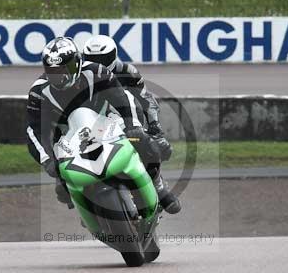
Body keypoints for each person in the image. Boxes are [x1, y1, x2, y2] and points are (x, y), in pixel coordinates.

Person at [25, 36, 180, 214]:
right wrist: (47, 160)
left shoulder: (97, 71)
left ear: (77, 63)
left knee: (144, 143)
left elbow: (122, 97)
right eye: (53, 71)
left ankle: (159, 188)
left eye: (65, 69)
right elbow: (34, 130)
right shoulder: (38, 92)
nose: (61, 77)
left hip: (107, 121)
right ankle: (86, 208)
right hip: (68, 136)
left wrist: (132, 126)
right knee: (61, 189)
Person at [83, 35, 180, 214]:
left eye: (102, 59)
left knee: (149, 145)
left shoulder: (128, 71)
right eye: (92, 60)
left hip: (127, 121)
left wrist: (154, 128)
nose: (99, 64)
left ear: (113, 56)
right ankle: (85, 198)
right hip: (91, 124)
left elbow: (146, 99)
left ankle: (159, 187)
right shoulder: (80, 76)